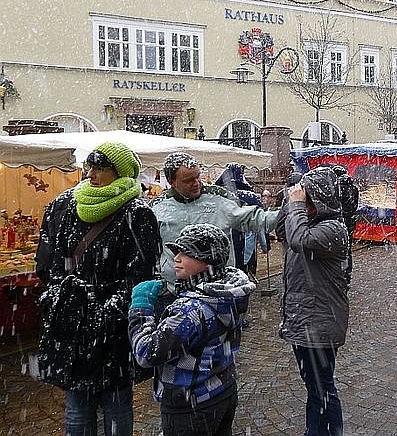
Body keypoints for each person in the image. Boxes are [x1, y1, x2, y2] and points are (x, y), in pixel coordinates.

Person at [35, 142, 161, 436]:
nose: (90, 174)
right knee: (77, 409)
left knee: (116, 406)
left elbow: (141, 274)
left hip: (112, 330)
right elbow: (49, 261)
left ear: (121, 173)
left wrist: (108, 311)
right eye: (89, 167)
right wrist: (60, 296)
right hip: (72, 324)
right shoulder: (66, 205)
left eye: (100, 168)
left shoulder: (137, 214)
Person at [128, 223, 255, 436]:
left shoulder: (190, 310)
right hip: (221, 390)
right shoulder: (229, 291)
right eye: (177, 252)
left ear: (207, 262)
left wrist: (140, 308)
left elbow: (147, 353)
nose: (176, 258)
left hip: (189, 405)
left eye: (186, 253)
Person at [150, 152, 278, 306]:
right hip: (173, 291)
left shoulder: (218, 198)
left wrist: (288, 213)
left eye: (198, 176)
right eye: (188, 180)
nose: (196, 183)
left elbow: (253, 219)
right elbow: (150, 250)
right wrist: (159, 281)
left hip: (218, 291)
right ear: (171, 181)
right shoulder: (157, 207)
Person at [279, 166, 349, 436]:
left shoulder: (333, 229)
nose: (303, 205)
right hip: (306, 318)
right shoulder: (306, 223)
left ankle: (329, 432)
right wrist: (290, 201)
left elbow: (298, 240)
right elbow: (282, 231)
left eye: (307, 199)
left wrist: (296, 205)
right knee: (315, 388)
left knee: (322, 389)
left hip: (319, 322)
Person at [332, 164, 360, 285]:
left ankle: (341, 275)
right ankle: (347, 274)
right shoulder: (354, 188)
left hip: (340, 222)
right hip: (350, 221)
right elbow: (355, 205)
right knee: (348, 250)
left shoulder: (337, 189)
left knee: (339, 250)